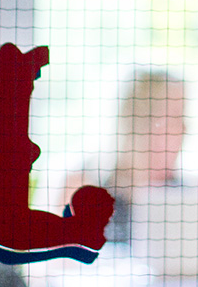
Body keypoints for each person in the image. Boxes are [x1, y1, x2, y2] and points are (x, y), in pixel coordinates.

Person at [64, 69, 189, 246]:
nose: (185, 128)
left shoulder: (189, 196)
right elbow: (53, 264)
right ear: (141, 123)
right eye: (175, 117)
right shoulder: (83, 184)